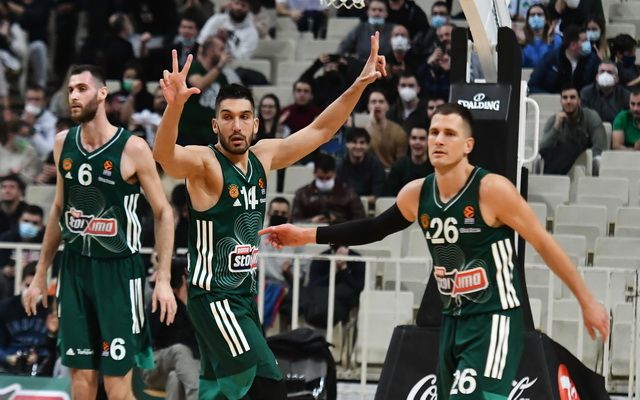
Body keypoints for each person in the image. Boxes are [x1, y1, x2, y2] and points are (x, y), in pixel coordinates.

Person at [259, 103, 609, 399]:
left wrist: (587, 301)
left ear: (468, 145)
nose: (438, 140)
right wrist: (305, 235)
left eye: (449, 134)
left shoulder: (491, 190)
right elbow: (373, 228)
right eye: (434, 132)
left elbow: (544, 243)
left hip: (494, 318)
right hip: (452, 320)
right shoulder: (417, 193)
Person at [152, 32, 385, 399]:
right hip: (214, 297)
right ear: (215, 126)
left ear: (256, 125)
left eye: (245, 117)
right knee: (269, 387)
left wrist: (359, 83)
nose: (236, 125)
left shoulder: (264, 157)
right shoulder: (205, 164)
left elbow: (322, 130)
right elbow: (165, 156)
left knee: (220, 393)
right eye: (227, 117)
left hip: (243, 296)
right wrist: (175, 107)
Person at [22, 64, 177, 400]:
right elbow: (58, 209)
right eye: (70, 90)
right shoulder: (63, 143)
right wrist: (40, 274)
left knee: (117, 386)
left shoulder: (133, 147)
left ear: (102, 93)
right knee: (80, 381)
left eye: (82, 89)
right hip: (74, 269)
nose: (73, 96)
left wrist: (163, 278)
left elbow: (164, 212)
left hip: (118, 272)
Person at [144, 256, 200, 400]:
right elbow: (149, 340)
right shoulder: (158, 302)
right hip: (154, 367)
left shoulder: (194, 305)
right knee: (180, 350)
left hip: (182, 369)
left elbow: (198, 342)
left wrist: (186, 305)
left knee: (175, 378)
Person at [0, 261, 56, 375]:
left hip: (43, 367)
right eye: (28, 285)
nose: (32, 292)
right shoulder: (5, 308)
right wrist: (6, 357)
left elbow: (57, 350)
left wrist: (52, 334)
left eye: (39, 288)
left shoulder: (51, 309)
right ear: (21, 283)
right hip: (10, 364)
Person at [539, 84, 606, 174]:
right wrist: (556, 127)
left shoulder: (591, 116)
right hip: (559, 167)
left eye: (572, 97)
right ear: (561, 101)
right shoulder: (554, 120)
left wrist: (591, 164)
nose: (568, 101)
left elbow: (600, 146)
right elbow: (543, 148)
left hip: (585, 166)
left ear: (579, 101)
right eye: (565, 98)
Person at [291, 153, 366, 224]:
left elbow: (360, 220)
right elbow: (294, 221)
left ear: (334, 173)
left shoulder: (348, 193)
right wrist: (310, 221)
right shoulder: (302, 194)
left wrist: (337, 221)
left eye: (328, 178)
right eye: (320, 178)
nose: (324, 182)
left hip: (340, 230)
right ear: (314, 173)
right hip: (311, 229)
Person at [303, 243, 365, 328]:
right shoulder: (321, 258)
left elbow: (359, 287)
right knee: (320, 295)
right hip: (322, 300)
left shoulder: (357, 259)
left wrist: (344, 268)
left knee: (341, 292)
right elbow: (313, 285)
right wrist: (334, 270)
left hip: (345, 301)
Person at [528, 25, 600, 94]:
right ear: (573, 45)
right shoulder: (551, 58)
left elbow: (598, 88)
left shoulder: (593, 60)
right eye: (585, 41)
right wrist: (551, 98)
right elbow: (532, 85)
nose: (588, 43)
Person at [0, 205, 44, 300]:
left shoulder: (46, 241)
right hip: (10, 282)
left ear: (41, 226)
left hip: (37, 281)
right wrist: (6, 269)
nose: (29, 226)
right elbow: (2, 265)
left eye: (35, 223)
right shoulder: (6, 239)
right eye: (26, 221)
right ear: (19, 220)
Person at [336, 127, 386, 210]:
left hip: (371, 209)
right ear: (347, 144)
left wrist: (356, 200)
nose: (358, 146)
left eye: (362, 143)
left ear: (367, 145)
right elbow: (338, 195)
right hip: (345, 209)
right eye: (354, 142)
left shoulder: (376, 165)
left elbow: (377, 196)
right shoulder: (340, 166)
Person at [385, 125, 433, 196]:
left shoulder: (435, 167)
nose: (417, 142)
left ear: (428, 141)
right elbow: (390, 196)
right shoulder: (398, 166)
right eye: (414, 138)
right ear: (409, 141)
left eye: (422, 139)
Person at [365, 89, 408, 168]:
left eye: (381, 102)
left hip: (390, 172)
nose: (377, 105)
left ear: (387, 106)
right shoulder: (360, 127)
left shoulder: (398, 132)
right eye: (373, 102)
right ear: (368, 106)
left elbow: (401, 163)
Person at [20, 85, 58, 160]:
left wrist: (32, 130)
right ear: (25, 101)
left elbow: (49, 152)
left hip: (43, 162)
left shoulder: (52, 121)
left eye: (37, 99)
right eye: (30, 99)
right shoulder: (20, 119)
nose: (33, 103)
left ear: (44, 102)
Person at [521, 4, 555, 69]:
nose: (536, 17)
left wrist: (549, 43)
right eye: (532, 15)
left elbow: (555, 63)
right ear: (528, 20)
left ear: (546, 20)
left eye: (539, 14)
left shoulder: (556, 39)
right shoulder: (521, 39)